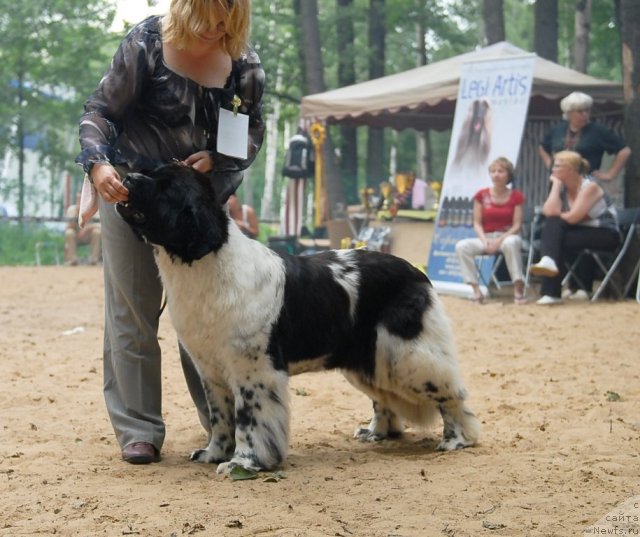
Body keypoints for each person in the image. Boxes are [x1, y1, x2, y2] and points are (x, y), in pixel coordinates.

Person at [75, 0, 265, 464]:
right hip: (129, 193)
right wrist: (98, 165)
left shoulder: (244, 65)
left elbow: (248, 134)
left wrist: (219, 161)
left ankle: (220, 427)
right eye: (205, 17)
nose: (214, 28)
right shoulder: (146, 43)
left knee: (208, 315)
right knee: (132, 313)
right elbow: (100, 111)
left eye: (226, 20)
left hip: (193, 208)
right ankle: (138, 429)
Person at [529, 151, 620, 305]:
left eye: (557, 166)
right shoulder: (561, 187)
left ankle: (551, 292)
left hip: (605, 233)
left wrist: (557, 215)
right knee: (553, 231)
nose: (553, 169)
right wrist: (556, 186)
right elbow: (549, 212)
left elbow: (573, 217)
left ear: (571, 169)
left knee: (554, 237)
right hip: (577, 231)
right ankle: (548, 263)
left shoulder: (590, 186)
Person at [455, 157, 527, 304]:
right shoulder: (481, 195)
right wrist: (485, 241)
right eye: (493, 171)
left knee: (511, 243)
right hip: (486, 237)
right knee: (462, 246)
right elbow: (477, 222)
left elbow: (517, 225)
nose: (496, 174)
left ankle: (518, 288)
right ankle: (476, 290)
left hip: (507, 236)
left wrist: (498, 240)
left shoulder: (516, 196)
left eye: (500, 171)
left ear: (508, 175)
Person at [538, 91, 631, 182]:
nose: (585, 114)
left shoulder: (598, 131)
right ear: (569, 113)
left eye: (587, 110)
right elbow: (542, 147)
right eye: (580, 111)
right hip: (559, 182)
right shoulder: (559, 129)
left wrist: (610, 174)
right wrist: (550, 164)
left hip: (586, 182)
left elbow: (624, 151)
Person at [64, 193, 101, 266]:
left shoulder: (94, 209)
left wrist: (87, 228)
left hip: (88, 236)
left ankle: (94, 260)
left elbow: (100, 225)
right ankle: (72, 260)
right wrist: (77, 213)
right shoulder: (72, 209)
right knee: (69, 232)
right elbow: (68, 227)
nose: (81, 202)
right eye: (79, 200)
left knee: (97, 232)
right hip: (76, 235)